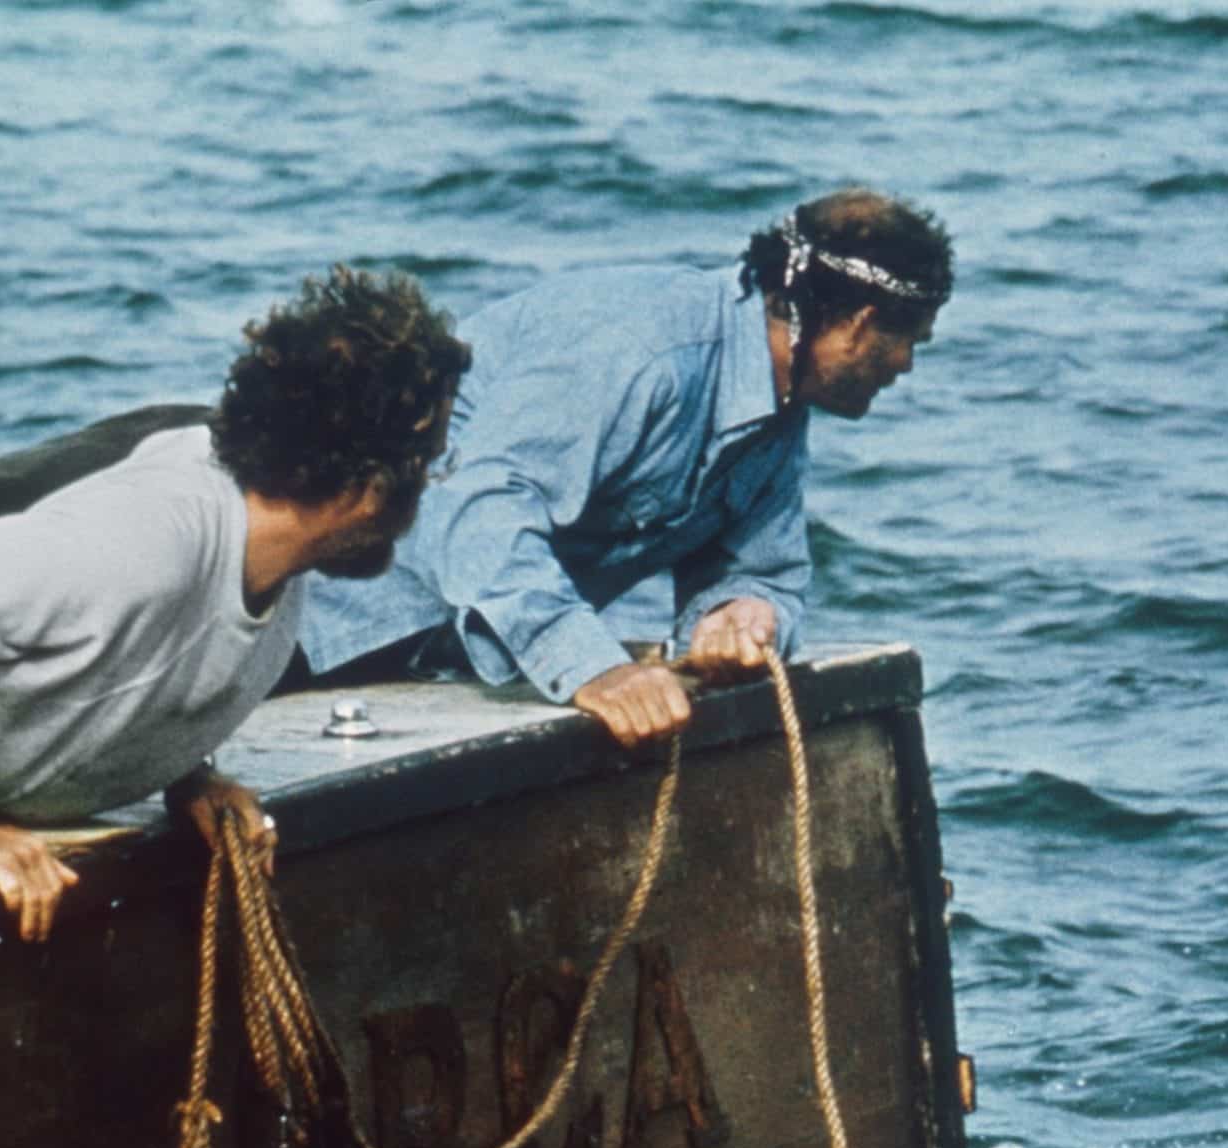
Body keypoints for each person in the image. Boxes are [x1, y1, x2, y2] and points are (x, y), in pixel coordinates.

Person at [0, 267, 471, 943]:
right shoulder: (146, 539)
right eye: (431, 463)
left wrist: (186, 770)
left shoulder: (272, 553)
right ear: (366, 486)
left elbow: (138, 653)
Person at [290, 188, 954, 747]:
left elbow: (764, 571)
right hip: (310, 618)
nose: (906, 368)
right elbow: (482, 505)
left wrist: (741, 614)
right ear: (862, 324)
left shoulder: (779, 409)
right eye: (909, 343)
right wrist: (592, 669)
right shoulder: (647, 350)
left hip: (435, 670)